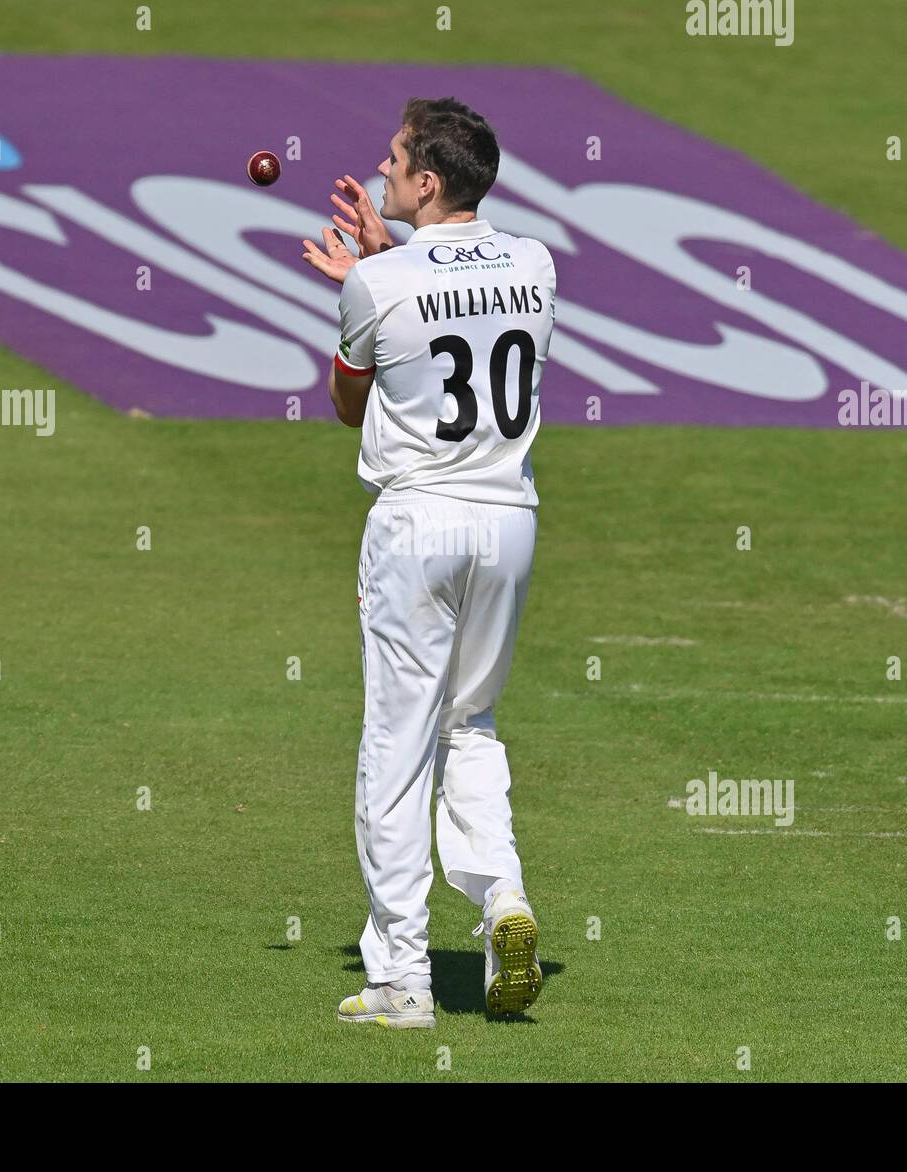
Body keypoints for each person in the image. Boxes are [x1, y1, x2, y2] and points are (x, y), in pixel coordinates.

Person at [301, 97, 557, 1028]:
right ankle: (503, 904)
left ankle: (403, 979)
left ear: (427, 183)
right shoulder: (535, 263)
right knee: (473, 725)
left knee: (396, 746)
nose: (383, 164)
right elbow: (455, 308)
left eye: (397, 158)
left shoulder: (380, 285)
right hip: (509, 522)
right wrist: (390, 258)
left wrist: (373, 271)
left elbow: (344, 402)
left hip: (418, 525)